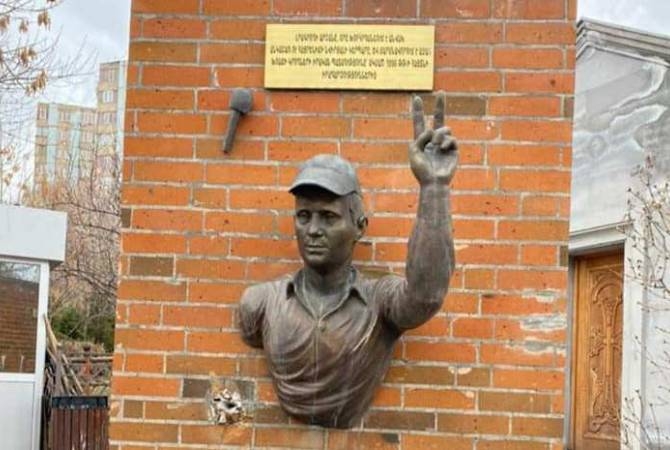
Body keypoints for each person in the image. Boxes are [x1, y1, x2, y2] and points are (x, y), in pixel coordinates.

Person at [238, 93, 458, 428]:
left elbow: (425, 295)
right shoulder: (259, 304)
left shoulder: (380, 302)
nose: (313, 230)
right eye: (304, 216)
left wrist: (434, 188)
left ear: (359, 227)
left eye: (328, 217)